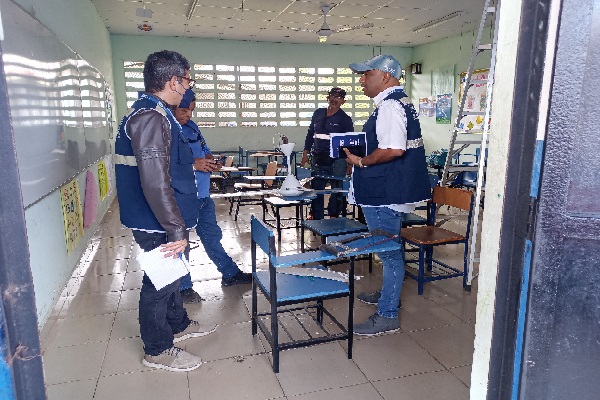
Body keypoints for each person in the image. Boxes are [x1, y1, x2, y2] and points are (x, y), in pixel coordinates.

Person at [115, 50, 216, 372]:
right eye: (187, 79)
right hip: (154, 219)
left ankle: (178, 324)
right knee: (159, 283)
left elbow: (168, 166)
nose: (188, 86)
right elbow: (155, 182)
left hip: (159, 216)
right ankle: (157, 348)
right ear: (174, 80)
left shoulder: (158, 112)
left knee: (171, 278)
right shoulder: (150, 117)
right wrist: (176, 229)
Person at [344, 55, 430, 336]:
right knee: (387, 250)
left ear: (384, 76)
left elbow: (393, 150)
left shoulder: (391, 106)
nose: (361, 81)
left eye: (366, 75)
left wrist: (360, 162)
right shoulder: (397, 102)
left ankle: (387, 314)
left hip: (385, 192)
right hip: (388, 188)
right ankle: (387, 294)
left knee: (390, 254)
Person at [175, 89, 252, 303]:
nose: (188, 115)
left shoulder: (192, 127)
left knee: (211, 236)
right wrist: (194, 164)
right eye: (184, 110)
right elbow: (161, 165)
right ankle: (183, 287)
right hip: (180, 196)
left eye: (191, 110)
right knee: (181, 242)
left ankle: (230, 274)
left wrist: (211, 160)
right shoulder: (166, 131)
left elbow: (205, 150)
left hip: (202, 194)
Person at [301, 87, 354, 220]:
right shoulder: (318, 113)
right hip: (318, 158)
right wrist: (305, 152)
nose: (334, 99)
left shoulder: (345, 119)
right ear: (327, 97)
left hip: (338, 160)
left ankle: (334, 216)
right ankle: (316, 216)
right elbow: (310, 134)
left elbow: (349, 142)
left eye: (338, 97)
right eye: (332, 96)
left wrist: (350, 162)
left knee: (337, 190)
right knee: (317, 189)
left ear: (343, 101)